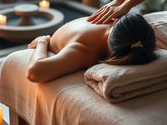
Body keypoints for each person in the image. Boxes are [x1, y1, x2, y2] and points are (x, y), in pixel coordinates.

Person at [26, 14, 156, 82]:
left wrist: (43, 41)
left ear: (116, 21)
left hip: (56, 39)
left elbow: (34, 73)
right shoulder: (108, 18)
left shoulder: (83, 50)